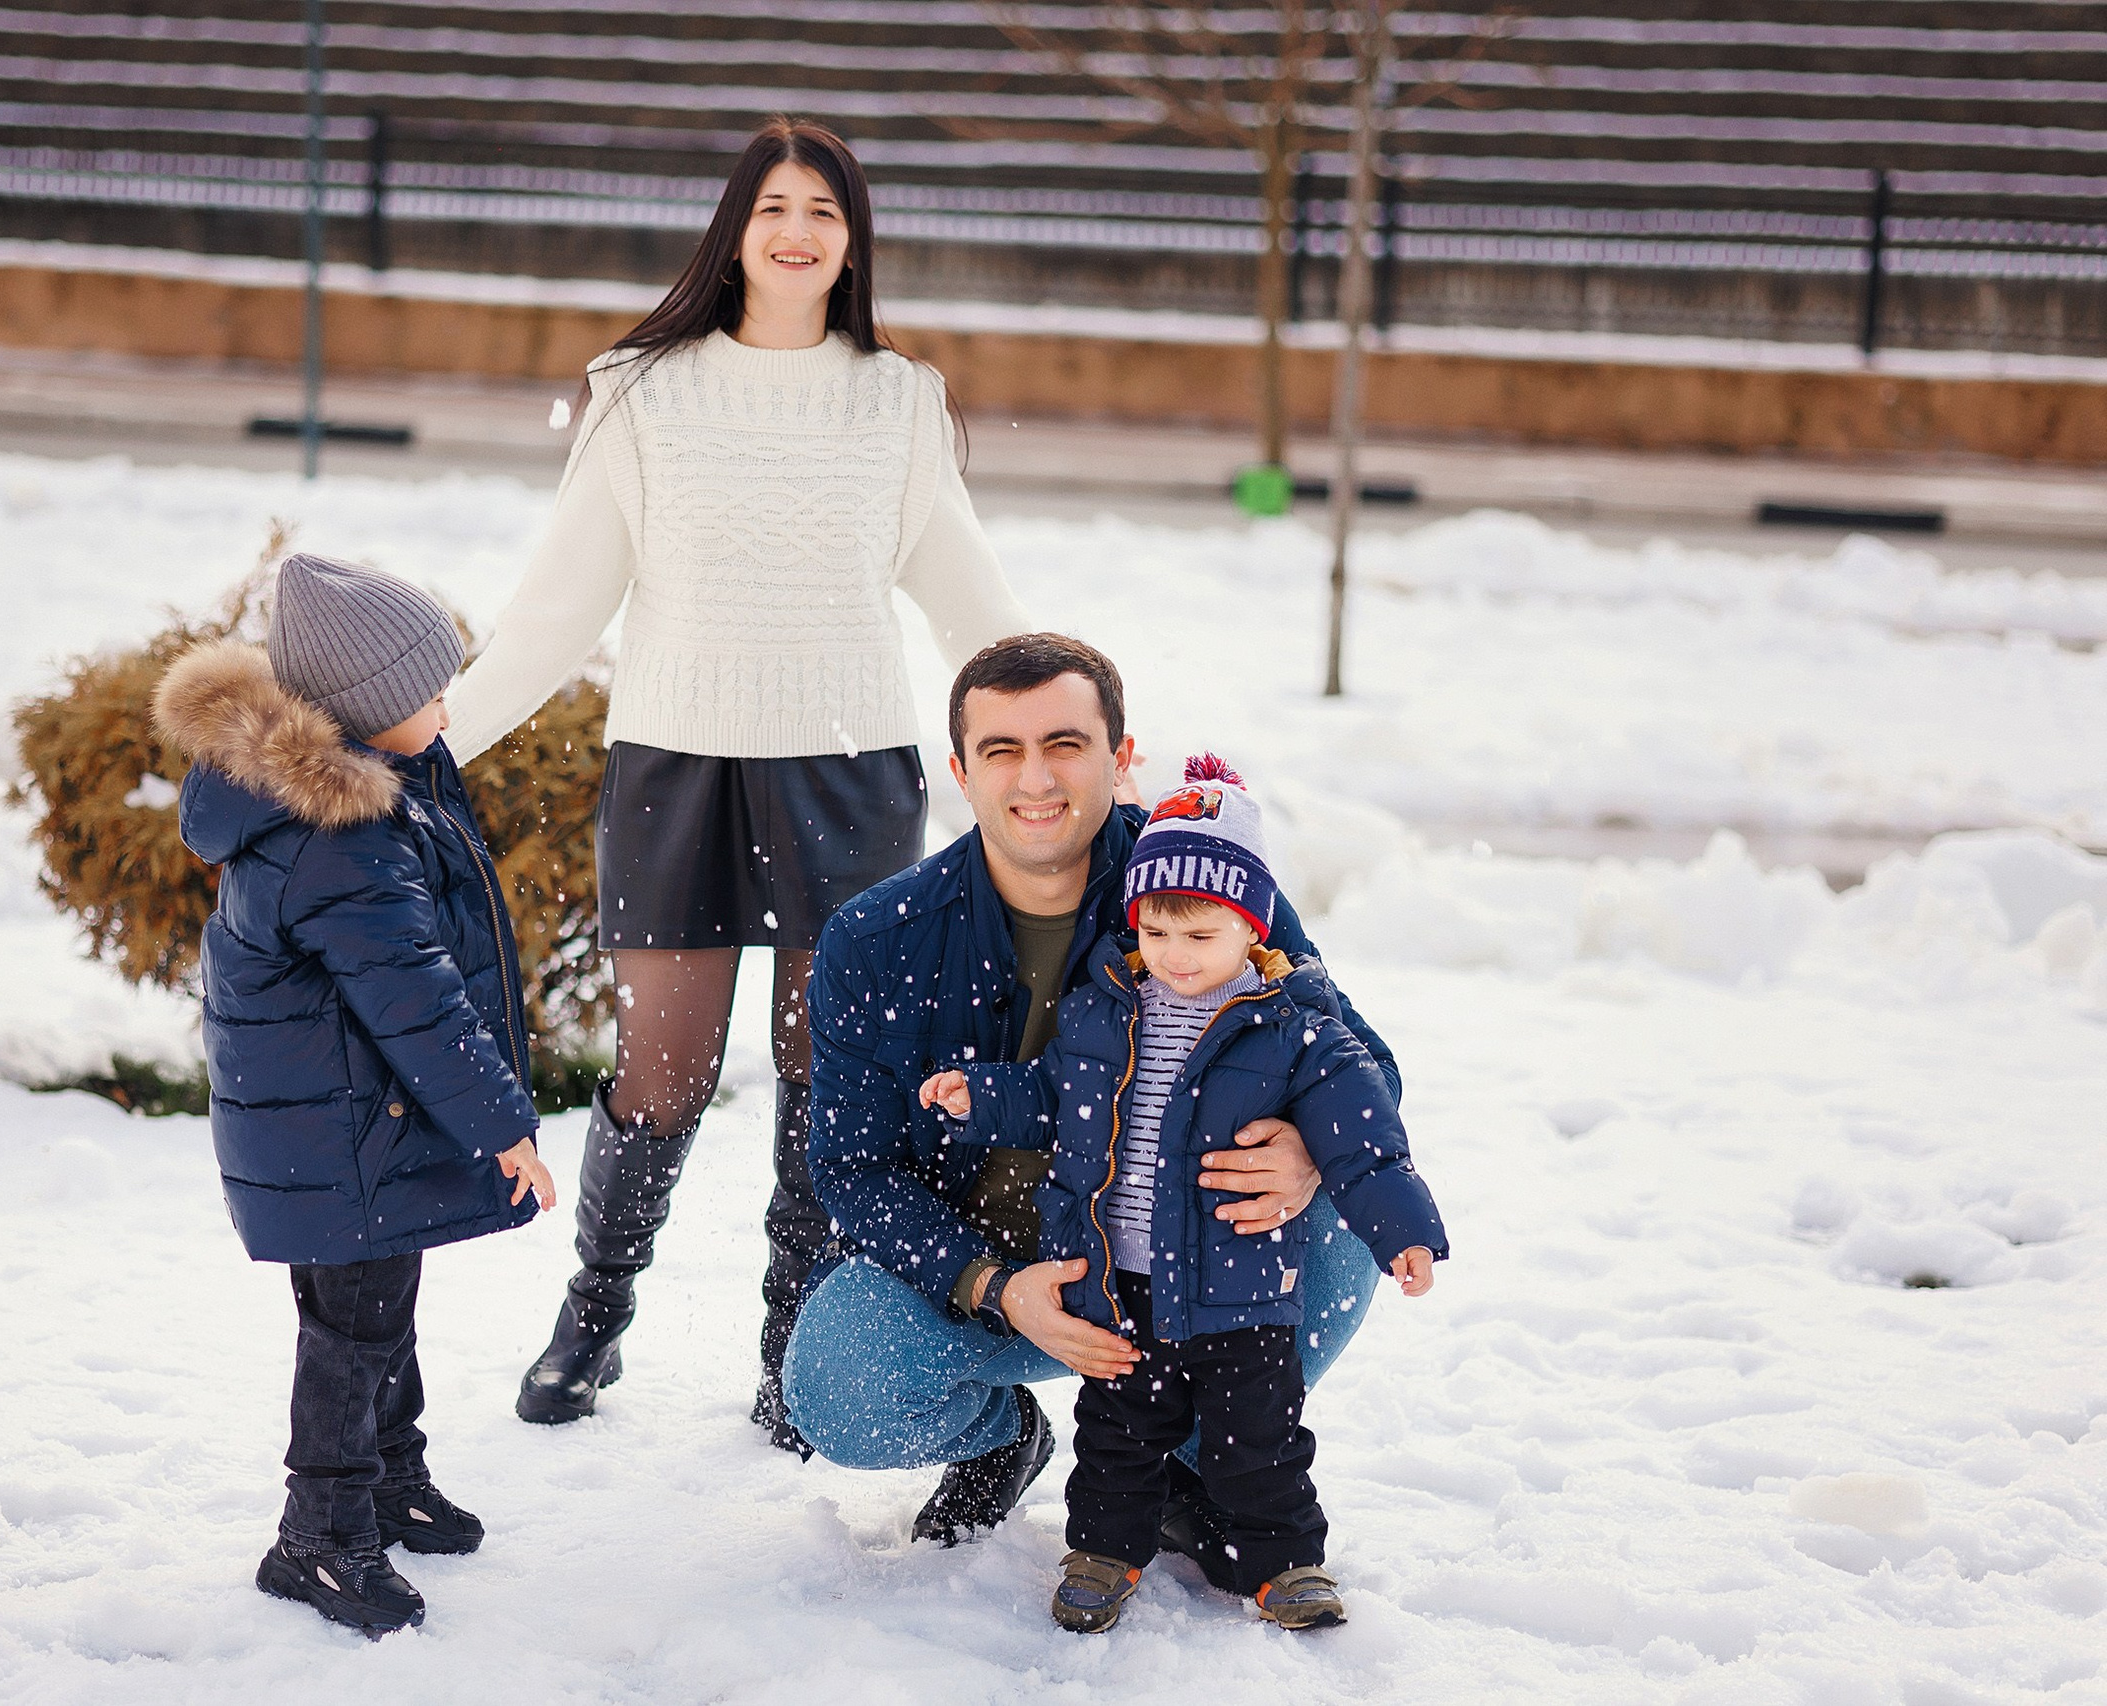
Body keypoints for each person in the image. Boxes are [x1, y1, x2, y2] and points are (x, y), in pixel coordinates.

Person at [441, 117, 1032, 1451]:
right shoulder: (643, 394)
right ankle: (594, 1314)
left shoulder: (899, 401)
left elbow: (973, 609)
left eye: (825, 206)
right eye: (775, 204)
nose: (799, 228)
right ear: (736, 227)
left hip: (850, 764)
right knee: (665, 1067)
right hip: (678, 767)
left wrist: (1072, 740)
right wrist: (429, 738)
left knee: (826, 1071)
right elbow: (553, 613)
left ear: (851, 239)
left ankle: (792, 1339)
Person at [787, 633, 1405, 1558]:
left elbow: (1362, 1065)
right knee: (840, 1389)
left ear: (1121, 760)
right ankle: (1002, 1441)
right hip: (992, 1264)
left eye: (1065, 745)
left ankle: (1193, 1465)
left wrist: (1308, 1150)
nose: (1035, 779)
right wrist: (993, 1286)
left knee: (1344, 1212)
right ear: (961, 772)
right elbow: (851, 1166)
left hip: (1182, 1258)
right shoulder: (876, 940)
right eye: (1002, 751)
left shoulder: (1205, 877)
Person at [919, 755, 1447, 1632]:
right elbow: (1054, 1095)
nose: (1174, 957)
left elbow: (1366, 1142)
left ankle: (1285, 1566)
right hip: (1119, 1287)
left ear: (1252, 930)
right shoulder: (1104, 1009)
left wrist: (1404, 1234)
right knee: (1118, 1434)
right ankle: (1103, 1553)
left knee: (1259, 1443)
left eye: (1200, 938)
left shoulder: (1295, 1029)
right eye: (1157, 934)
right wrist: (983, 1099)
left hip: (1240, 1296)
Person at [154, 554, 558, 1637]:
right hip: (343, 1128)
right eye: (430, 688)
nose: (445, 704)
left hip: (344, 1123)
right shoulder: (340, 835)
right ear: (372, 710)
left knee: (376, 1312)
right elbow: (414, 999)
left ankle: (387, 1475)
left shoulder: (363, 790)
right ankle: (319, 1536)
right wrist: (503, 1125)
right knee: (353, 1328)